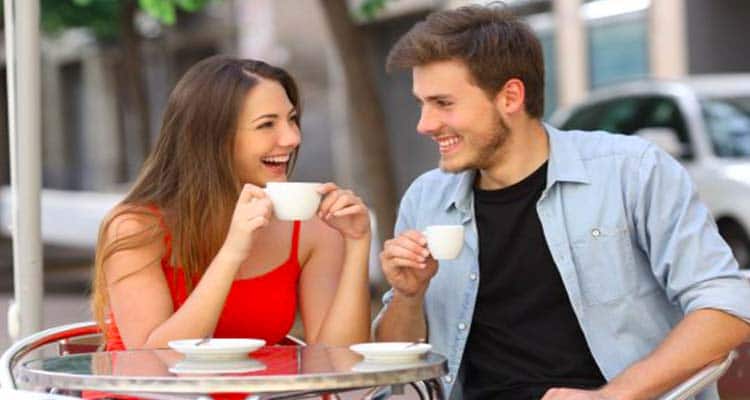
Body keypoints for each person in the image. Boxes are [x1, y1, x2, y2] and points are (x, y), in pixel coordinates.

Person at [373, 5, 750, 400]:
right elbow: (398, 375)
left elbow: (726, 308)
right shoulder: (425, 198)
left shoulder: (632, 172)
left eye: (443, 104)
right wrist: (408, 296)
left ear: (511, 97)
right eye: (421, 104)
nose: (424, 124)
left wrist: (610, 397)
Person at [90, 55, 371, 351]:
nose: (292, 138)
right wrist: (232, 251)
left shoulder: (312, 231)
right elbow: (154, 362)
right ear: (211, 138)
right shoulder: (136, 228)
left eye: (291, 119)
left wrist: (357, 242)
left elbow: (339, 361)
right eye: (266, 125)